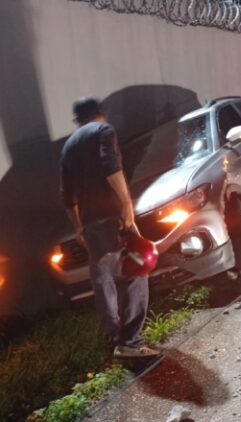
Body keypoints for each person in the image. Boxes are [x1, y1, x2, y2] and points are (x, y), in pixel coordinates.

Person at [60, 97, 158, 358]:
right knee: (137, 270)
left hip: (91, 221)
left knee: (103, 279)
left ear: (77, 119)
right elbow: (110, 167)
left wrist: (79, 227)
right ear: (101, 113)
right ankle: (131, 342)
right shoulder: (104, 130)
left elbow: (67, 194)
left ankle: (114, 339)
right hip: (112, 215)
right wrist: (126, 203)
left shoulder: (68, 146)